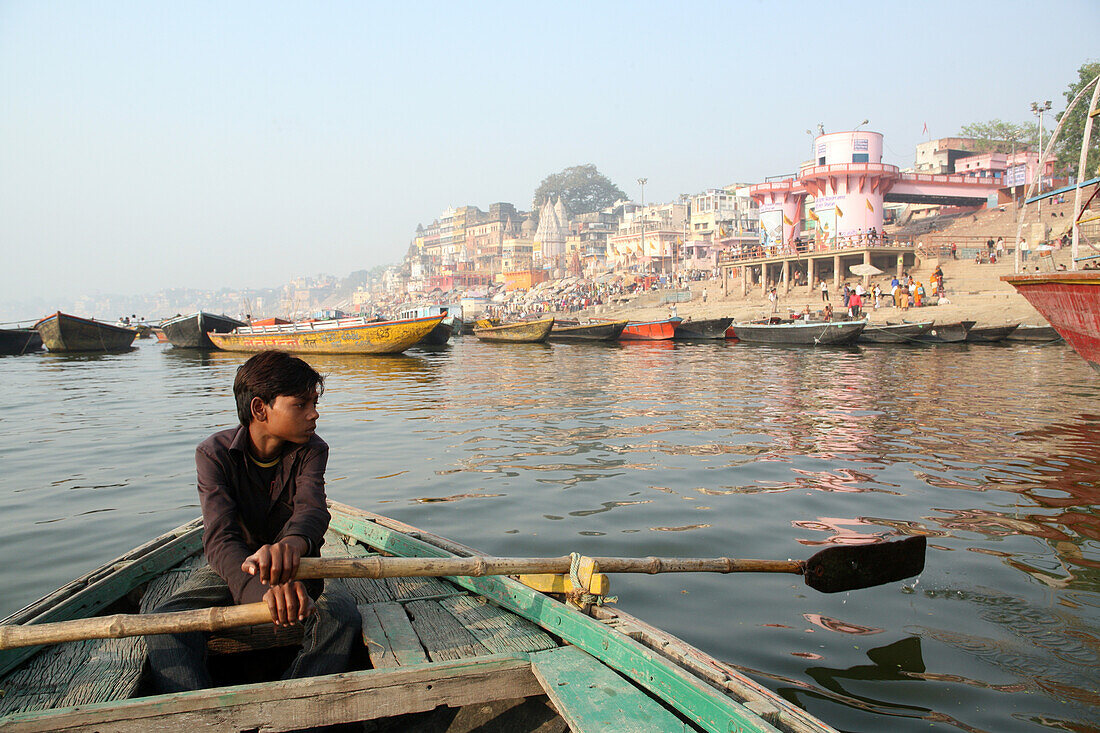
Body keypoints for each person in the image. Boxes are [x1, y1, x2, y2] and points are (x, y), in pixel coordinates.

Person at [146, 351, 359, 693]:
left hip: (300, 564)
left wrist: (291, 547)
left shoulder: (312, 450)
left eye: (314, 403)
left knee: (341, 615)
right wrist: (263, 592)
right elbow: (221, 539)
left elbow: (312, 510)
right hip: (237, 566)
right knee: (165, 622)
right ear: (260, 408)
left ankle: (293, 712)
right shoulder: (212, 454)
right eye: (301, 404)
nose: (314, 414)